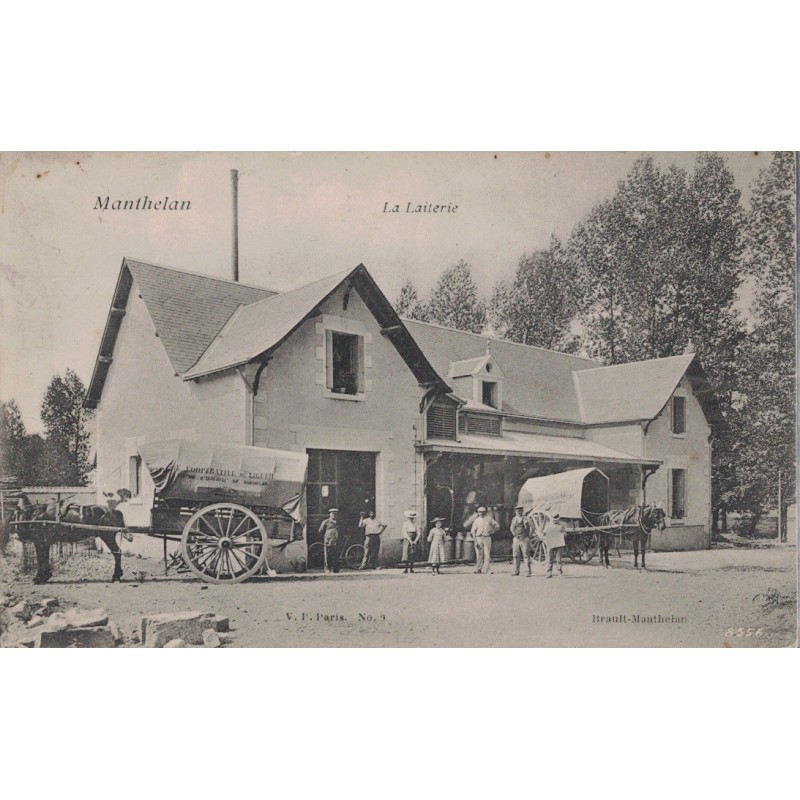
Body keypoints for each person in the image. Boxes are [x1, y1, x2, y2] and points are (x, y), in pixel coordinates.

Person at [470, 506, 499, 574]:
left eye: (483, 512)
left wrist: (492, 530)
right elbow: (473, 532)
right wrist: (475, 541)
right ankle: (478, 568)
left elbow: (496, 525)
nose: (481, 513)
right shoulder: (476, 520)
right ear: (478, 513)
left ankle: (487, 569)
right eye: (480, 512)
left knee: (487, 554)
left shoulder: (489, 519)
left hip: (487, 537)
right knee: (479, 554)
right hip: (479, 538)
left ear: (485, 512)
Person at [510, 505, 532, 577]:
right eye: (517, 511)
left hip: (524, 539)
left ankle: (527, 572)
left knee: (526, 556)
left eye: (520, 511)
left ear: (522, 511)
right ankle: (516, 571)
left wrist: (529, 536)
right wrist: (515, 535)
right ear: (515, 512)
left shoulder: (526, 519)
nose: (519, 512)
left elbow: (532, 527)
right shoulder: (514, 519)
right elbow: (512, 528)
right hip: (516, 539)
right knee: (515, 556)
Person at [544, 512, 566, 578]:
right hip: (550, 544)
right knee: (550, 559)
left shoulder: (561, 525)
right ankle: (549, 573)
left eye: (556, 519)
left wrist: (564, 533)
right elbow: (544, 533)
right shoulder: (548, 525)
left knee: (558, 559)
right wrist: (544, 536)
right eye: (554, 519)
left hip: (559, 543)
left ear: (558, 519)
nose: (555, 521)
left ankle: (559, 572)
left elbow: (565, 533)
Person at [319, 508, 340, 574]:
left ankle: (336, 569)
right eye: (333, 514)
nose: (334, 515)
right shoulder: (326, 522)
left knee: (336, 555)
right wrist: (327, 538)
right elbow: (321, 531)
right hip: (328, 541)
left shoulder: (339, 522)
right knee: (328, 555)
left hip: (336, 541)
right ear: (330, 514)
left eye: (336, 514)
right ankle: (327, 569)